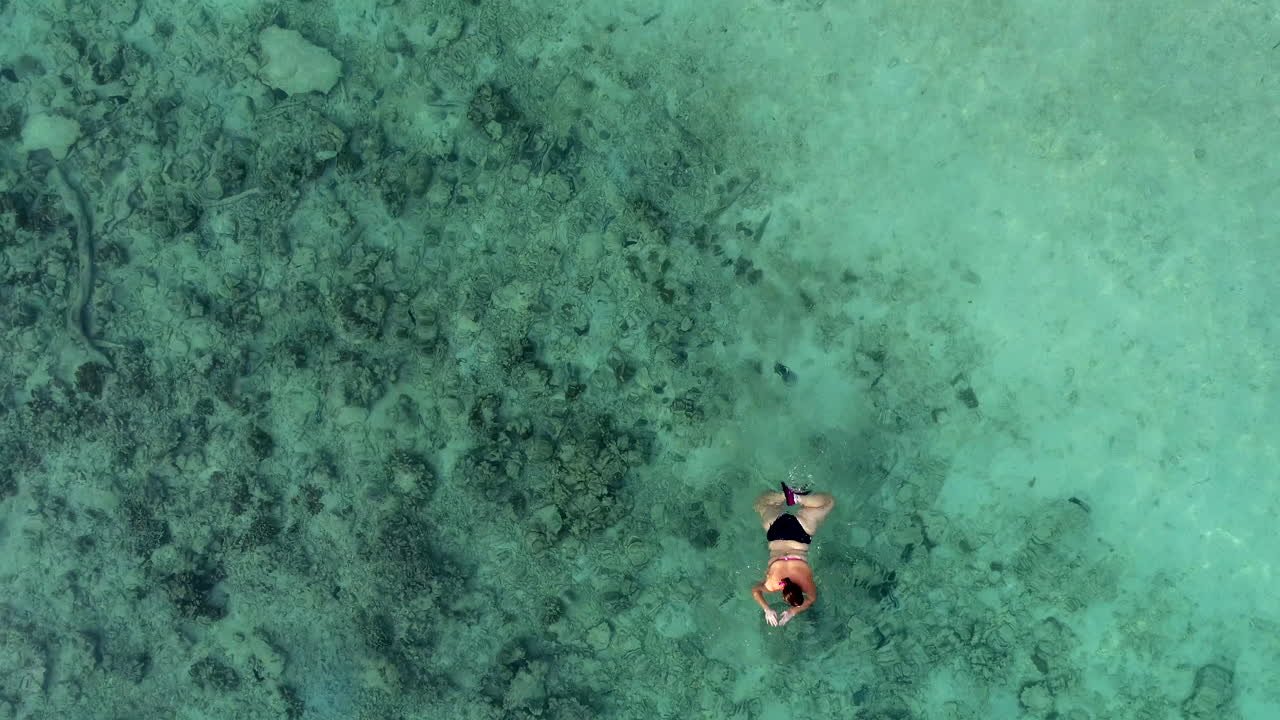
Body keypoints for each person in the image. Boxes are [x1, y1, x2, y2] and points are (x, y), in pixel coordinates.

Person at [750, 482, 835, 626]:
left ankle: (796, 498)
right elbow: (755, 590)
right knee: (761, 504)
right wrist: (767, 609)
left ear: (800, 590)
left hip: (801, 534)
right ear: (783, 593)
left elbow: (811, 599)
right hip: (776, 531)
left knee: (828, 502)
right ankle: (784, 495)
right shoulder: (772, 585)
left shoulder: (807, 585)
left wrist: (793, 612)